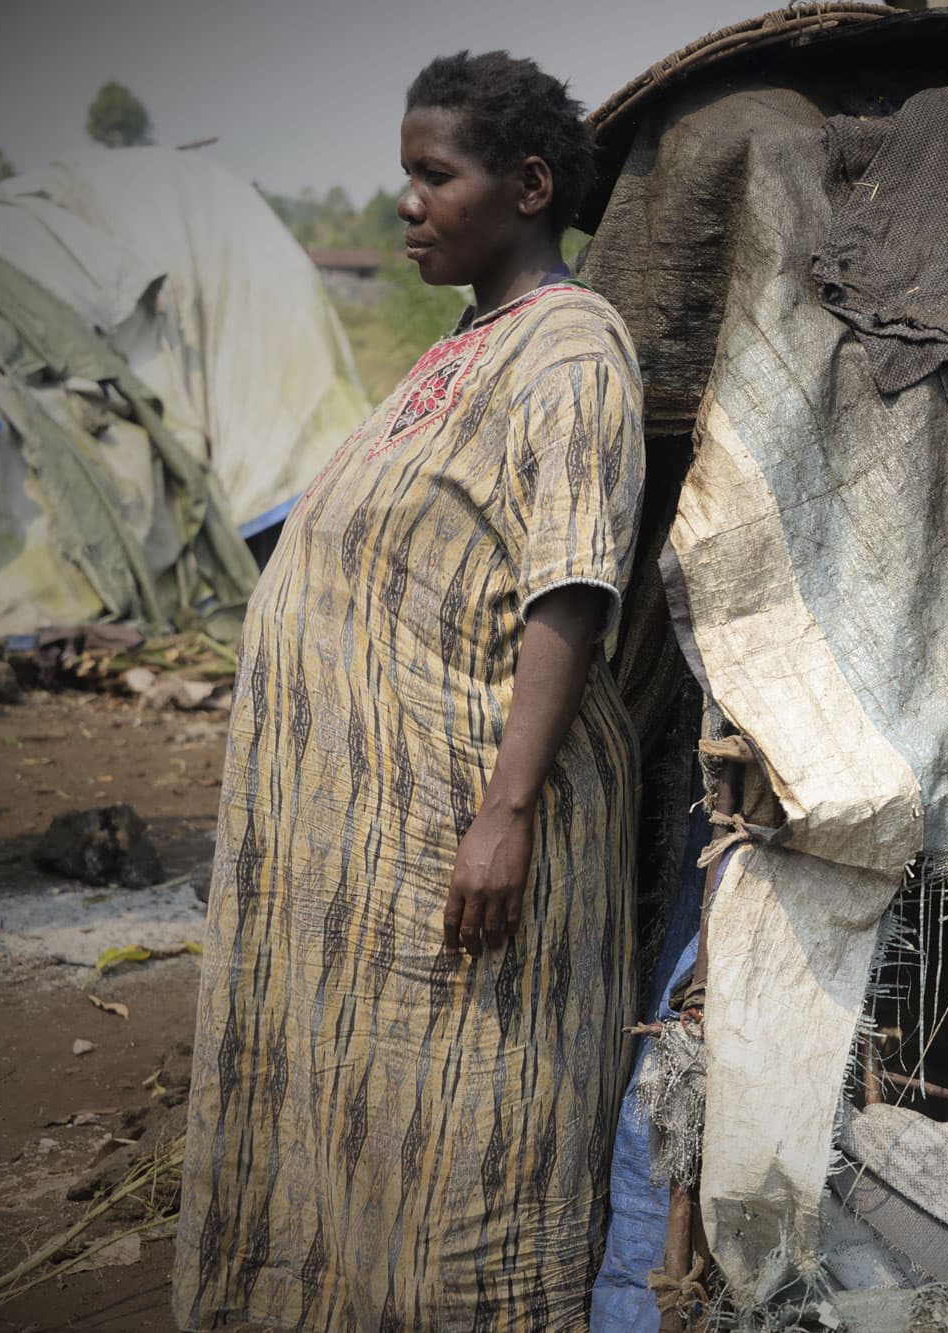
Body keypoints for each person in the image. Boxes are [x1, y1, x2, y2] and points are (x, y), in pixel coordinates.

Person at [174, 50, 643, 1330]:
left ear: (529, 185)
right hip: (390, 842)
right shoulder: (474, 343)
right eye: (405, 176)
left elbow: (569, 583)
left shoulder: (570, 349)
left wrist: (506, 807)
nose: (406, 203)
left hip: (470, 834)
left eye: (434, 175)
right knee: (373, 1118)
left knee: (467, 1130)